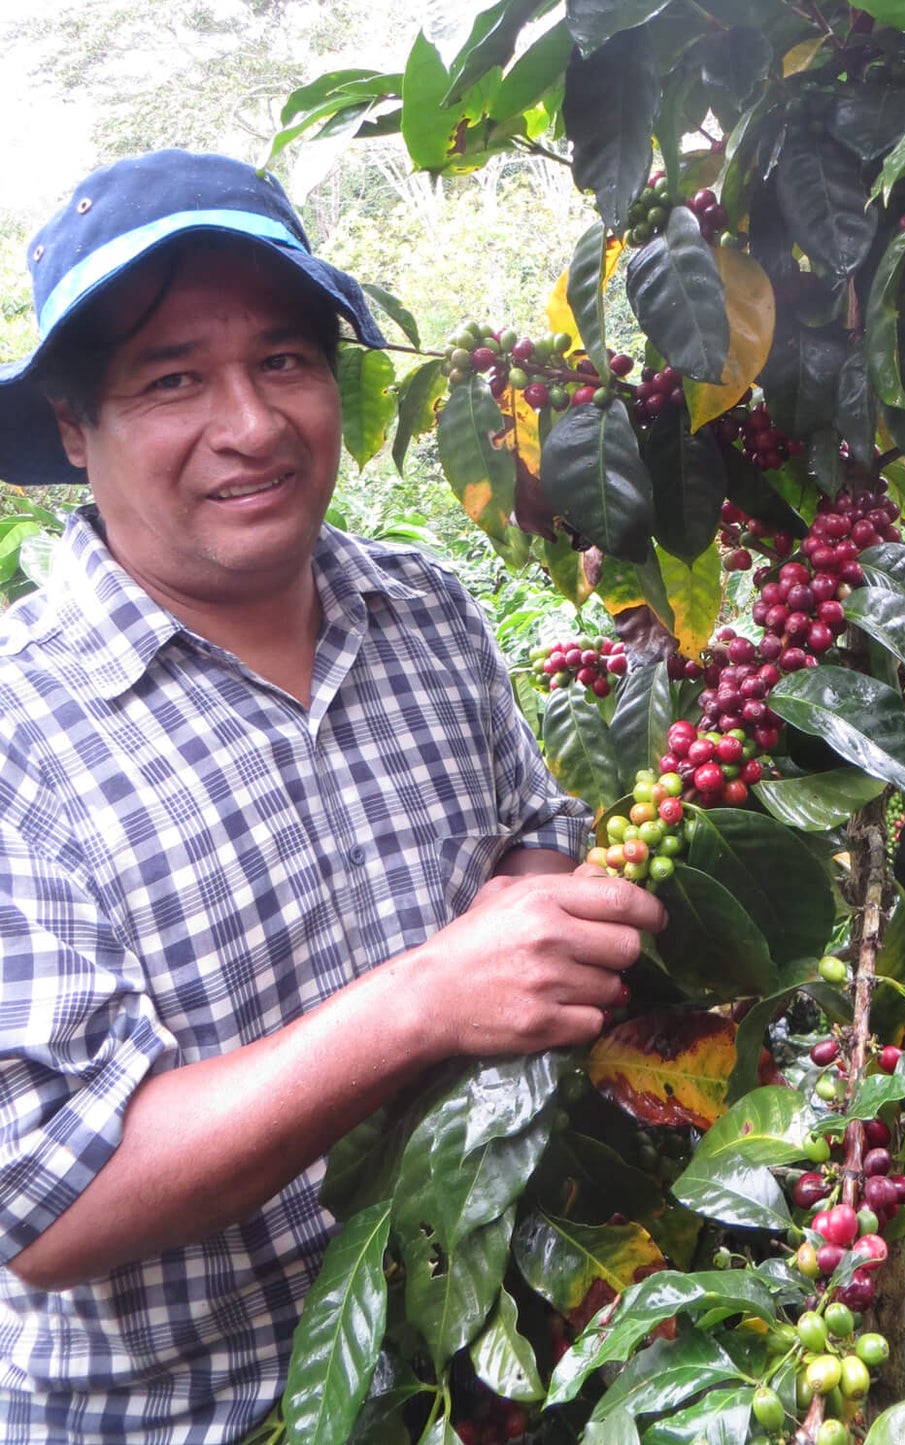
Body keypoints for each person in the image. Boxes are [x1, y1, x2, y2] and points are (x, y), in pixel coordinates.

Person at [0, 150, 665, 1442]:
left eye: (286, 361)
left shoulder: (428, 613)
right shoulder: (22, 736)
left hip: (468, 1368)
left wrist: (538, 922)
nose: (252, 425)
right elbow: (50, 1201)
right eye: (172, 379)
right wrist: (425, 1000)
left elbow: (529, 837)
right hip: (190, 1415)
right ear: (76, 428)